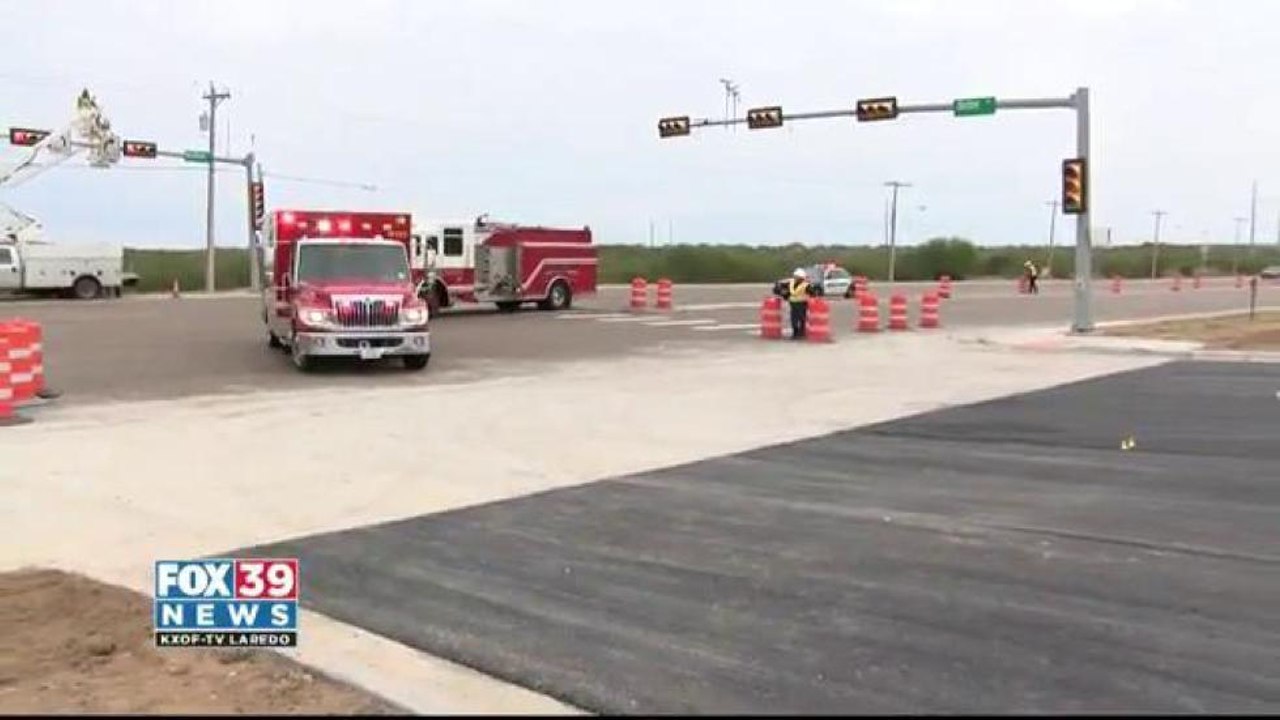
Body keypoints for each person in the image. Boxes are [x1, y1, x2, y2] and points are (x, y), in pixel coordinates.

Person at [786, 267, 813, 339]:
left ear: (801, 277)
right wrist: (786, 295)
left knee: (802, 319)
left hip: (802, 304)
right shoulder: (791, 283)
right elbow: (789, 292)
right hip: (793, 304)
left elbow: (812, 293)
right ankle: (795, 333)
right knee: (793, 320)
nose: (795, 277)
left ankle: (802, 333)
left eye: (797, 276)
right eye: (795, 276)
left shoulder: (806, 285)